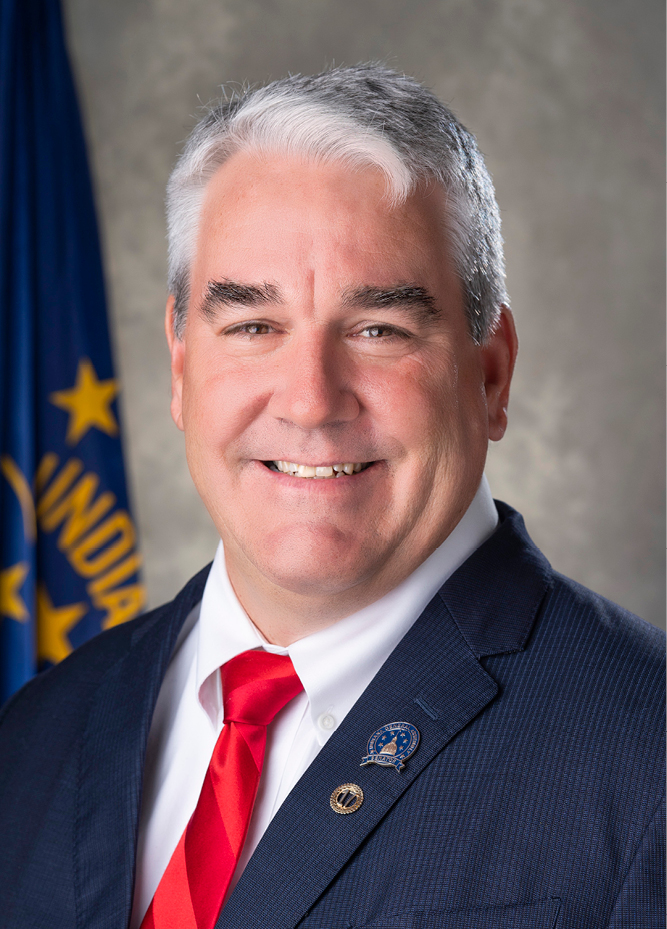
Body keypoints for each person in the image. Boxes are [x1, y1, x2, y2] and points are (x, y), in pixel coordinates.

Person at [0, 65, 663, 929]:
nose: (309, 399)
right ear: (180, 362)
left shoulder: (646, 759)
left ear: (489, 373)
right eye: (252, 326)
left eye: (378, 329)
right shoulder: (39, 732)